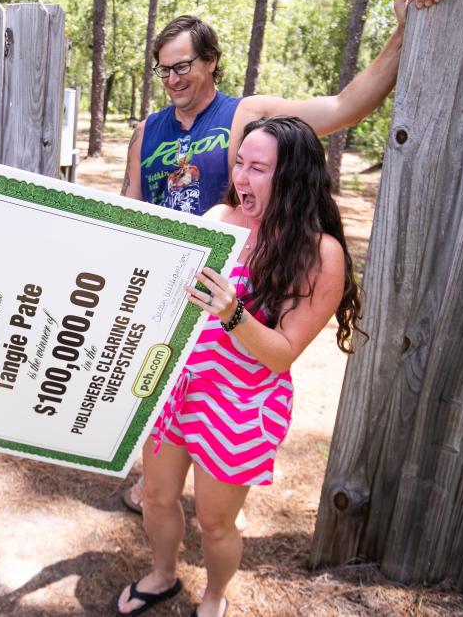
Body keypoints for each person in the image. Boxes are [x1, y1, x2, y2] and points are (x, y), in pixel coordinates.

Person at [119, 0, 454, 514]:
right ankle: (159, 483)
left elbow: (345, 107)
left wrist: (403, 30)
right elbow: (131, 207)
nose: (173, 78)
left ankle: (216, 507)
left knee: (221, 420)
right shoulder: (147, 130)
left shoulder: (246, 115)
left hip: (238, 291)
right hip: (172, 297)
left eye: (183, 65)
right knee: (163, 405)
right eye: (164, 68)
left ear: (210, 62)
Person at [113, 116, 364, 617]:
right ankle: (164, 575)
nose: (242, 179)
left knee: (216, 523)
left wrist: (233, 312)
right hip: (181, 385)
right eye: (240, 165)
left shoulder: (321, 253)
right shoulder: (221, 218)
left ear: (292, 178)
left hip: (243, 403)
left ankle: (213, 596)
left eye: (259, 169)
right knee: (158, 497)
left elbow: (282, 353)